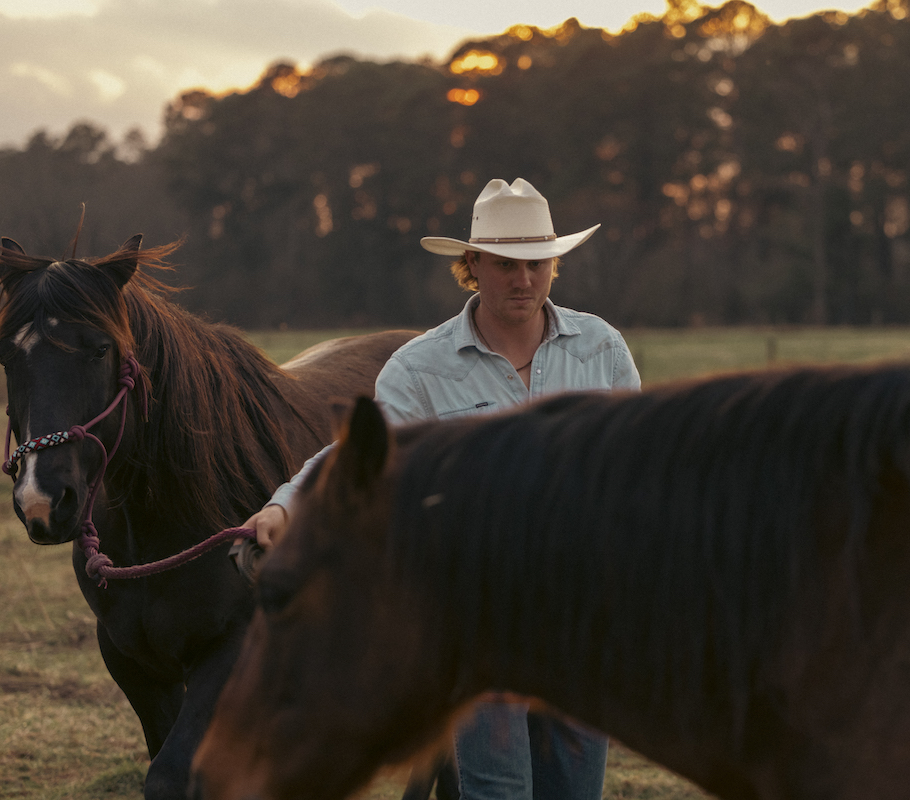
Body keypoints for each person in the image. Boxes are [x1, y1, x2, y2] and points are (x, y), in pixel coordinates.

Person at [243, 177, 641, 800]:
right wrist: (284, 504)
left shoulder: (600, 349)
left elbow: (637, 467)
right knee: (496, 791)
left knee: (574, 790)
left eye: (537, 263)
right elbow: (362, 459)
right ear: (473, 264)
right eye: (506, 264)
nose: (524, 279)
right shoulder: (422, 367)